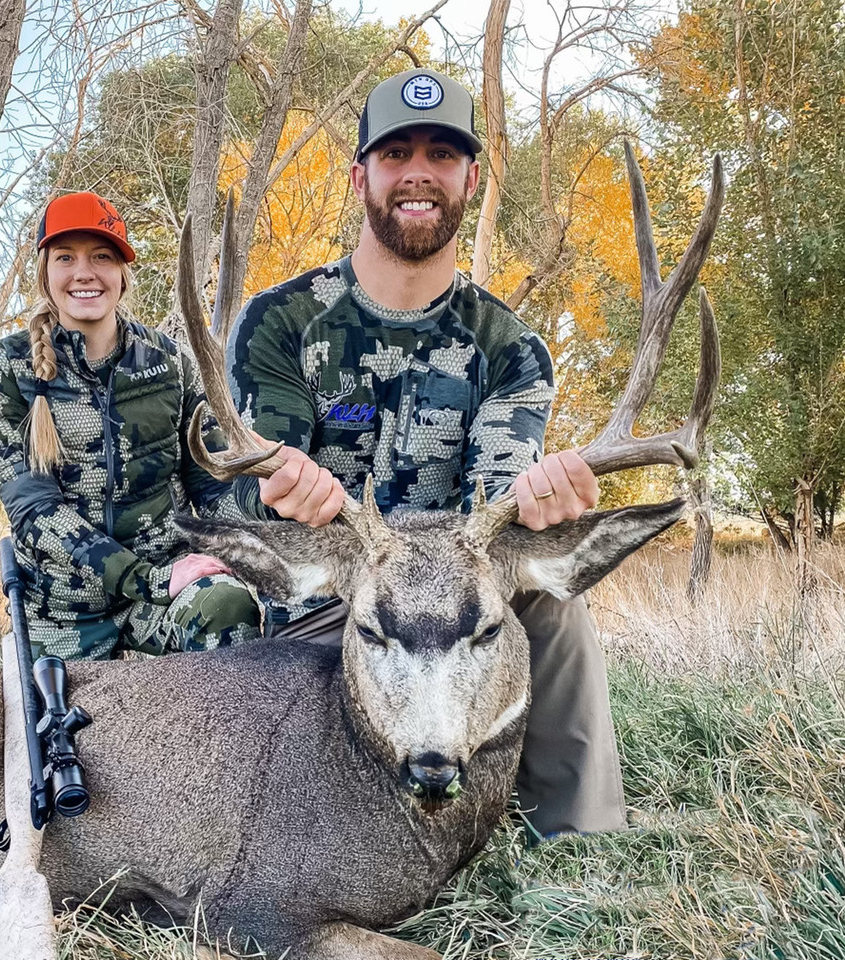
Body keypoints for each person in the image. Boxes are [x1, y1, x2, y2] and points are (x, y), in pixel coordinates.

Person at [226, 69, 623, 838]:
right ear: (360, 177)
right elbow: (243, 490)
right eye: (395, 153)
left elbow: (498, 507)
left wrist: (545, 501)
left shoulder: (510, 348)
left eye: (441, 156)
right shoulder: (282, 323)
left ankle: (578, 840)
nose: (418, 173)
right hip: (333, 594)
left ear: (469, 179)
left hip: (456, 593)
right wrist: (278, 491)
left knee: (554, 602)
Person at [0, 191, 262, 660]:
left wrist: (271, 501)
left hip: (166, 591)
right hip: (65, 612)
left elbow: (211, 485)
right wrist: (144, 580)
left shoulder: (169, 362)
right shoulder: (1, 370)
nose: (84, 272)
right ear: (45, 272)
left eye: (101, 256)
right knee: (47, 731)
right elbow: (34, 512)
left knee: (226, 607)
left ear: (123, 275)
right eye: (66, 257)